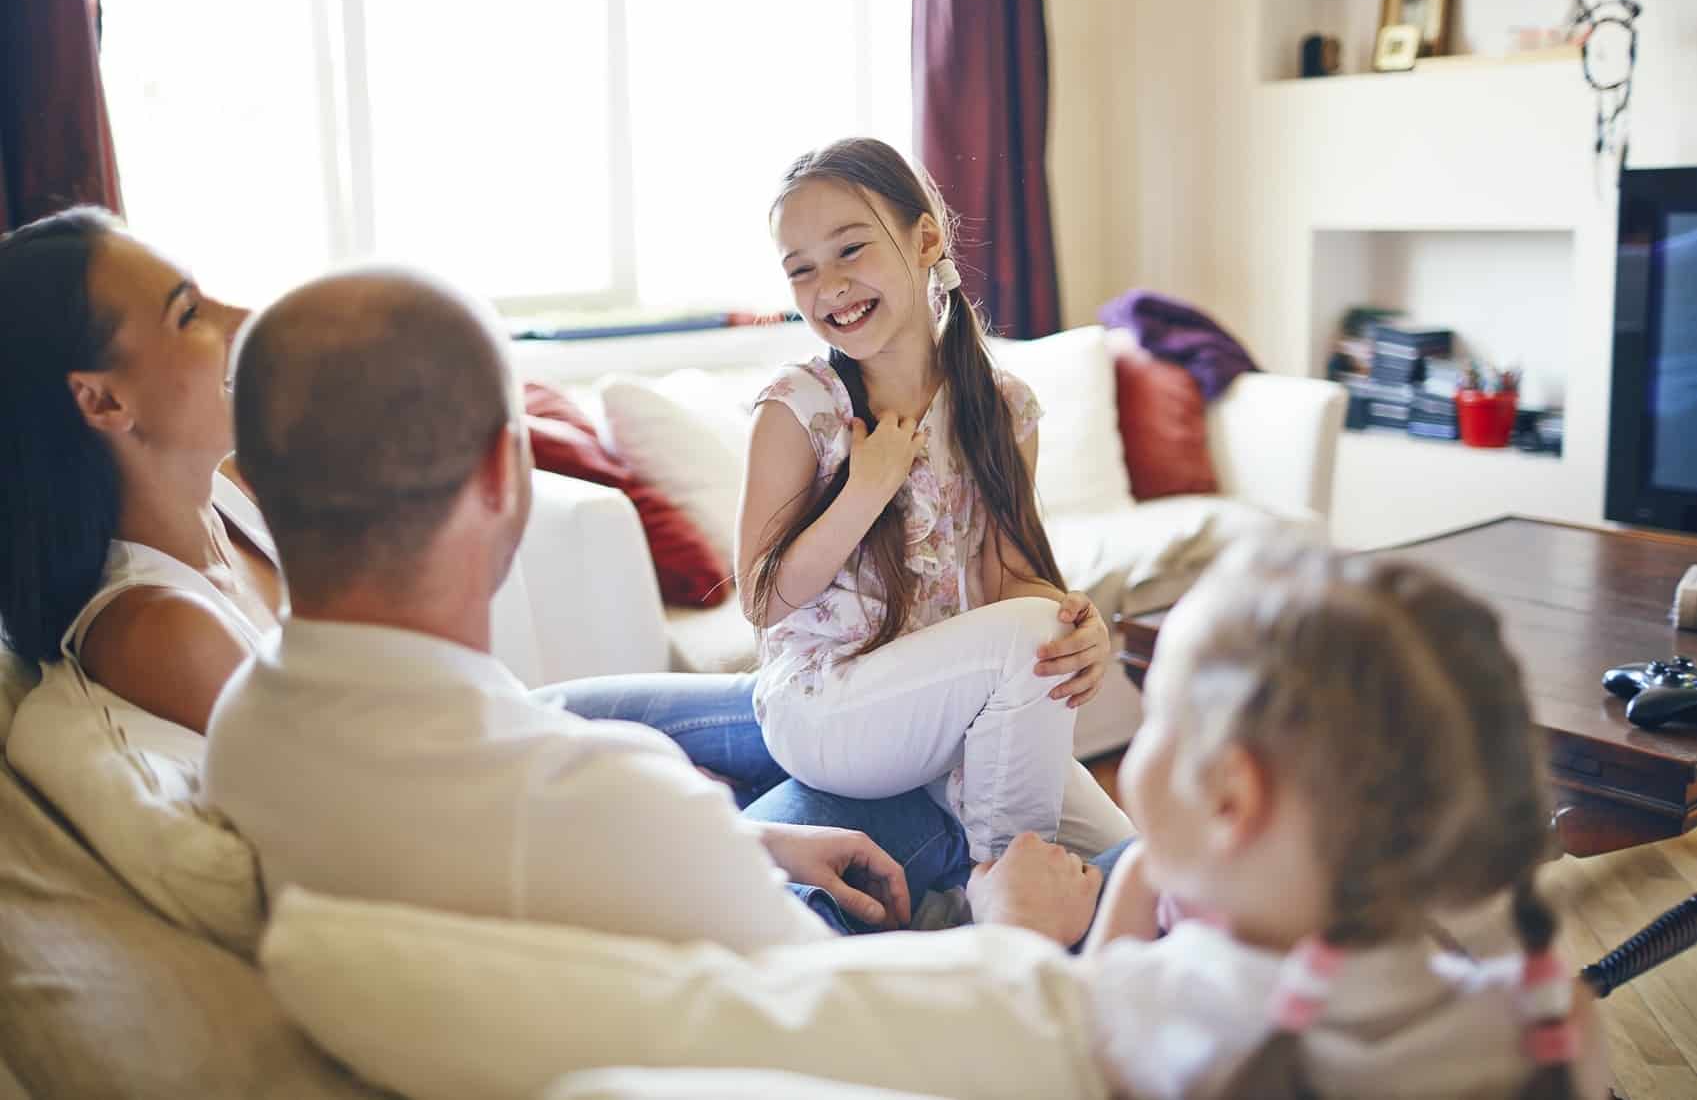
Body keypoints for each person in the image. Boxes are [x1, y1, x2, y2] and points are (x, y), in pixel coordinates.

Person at [203, 267, 1106, 950]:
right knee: (1020, 829)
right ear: (501, 473)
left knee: (569, 705)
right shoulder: (618, 803)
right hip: (825, 929)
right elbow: (812, 1008)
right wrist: (1009, 932)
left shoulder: (244, 727)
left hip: (739, 785)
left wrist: (752, 844)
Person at [1082, 536, 1610, 1098]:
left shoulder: (1140, 1011)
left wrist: (1135, 879)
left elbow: (1073, 1027)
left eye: (1155, 712)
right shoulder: (1551, 1028)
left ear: (1231, 798)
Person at [737, 137, 1130, 865]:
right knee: (1028, 637)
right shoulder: (798, 407)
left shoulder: (1002, 407)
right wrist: (865, 488)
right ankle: (1007, 904)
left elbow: (1008, 582)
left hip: (940, 705)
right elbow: (762, 602)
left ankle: (1002, 887)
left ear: (924, 239)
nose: (830, 286)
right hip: (826, 710)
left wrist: (1080, 627)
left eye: (850, 250)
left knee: (1124, 853)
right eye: (801, 270)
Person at [0, 208, 281, 737]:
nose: (243, 319)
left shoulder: (238, 490)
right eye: (190, 313)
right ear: (103, 399)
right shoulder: (164, 634)